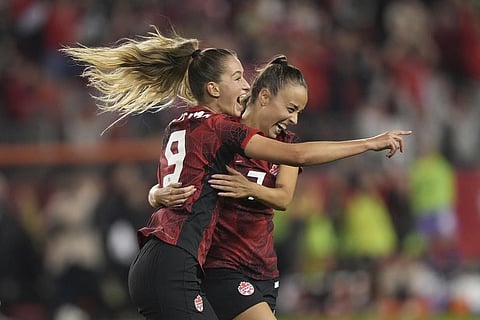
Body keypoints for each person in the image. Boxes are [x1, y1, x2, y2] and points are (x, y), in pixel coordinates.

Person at [61, 26, 411, 320]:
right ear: (216, 89)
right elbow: (298, 154)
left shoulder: (181, 124)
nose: (246, 84)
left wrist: (155, 194)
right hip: (196, 263)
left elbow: (175, 185)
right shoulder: (225, 131)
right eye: (238, 77)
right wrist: (369, 143)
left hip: (187, 260)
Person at [150, 54, 306, 320]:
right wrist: (155, 193)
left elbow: (283, 198)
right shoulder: (225, 132)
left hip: (263, 265)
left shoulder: (285, 144)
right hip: (220, 263)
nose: (294, 120)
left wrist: (250, 188)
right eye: (291, 109)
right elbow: (181, 177)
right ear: (266, 98)